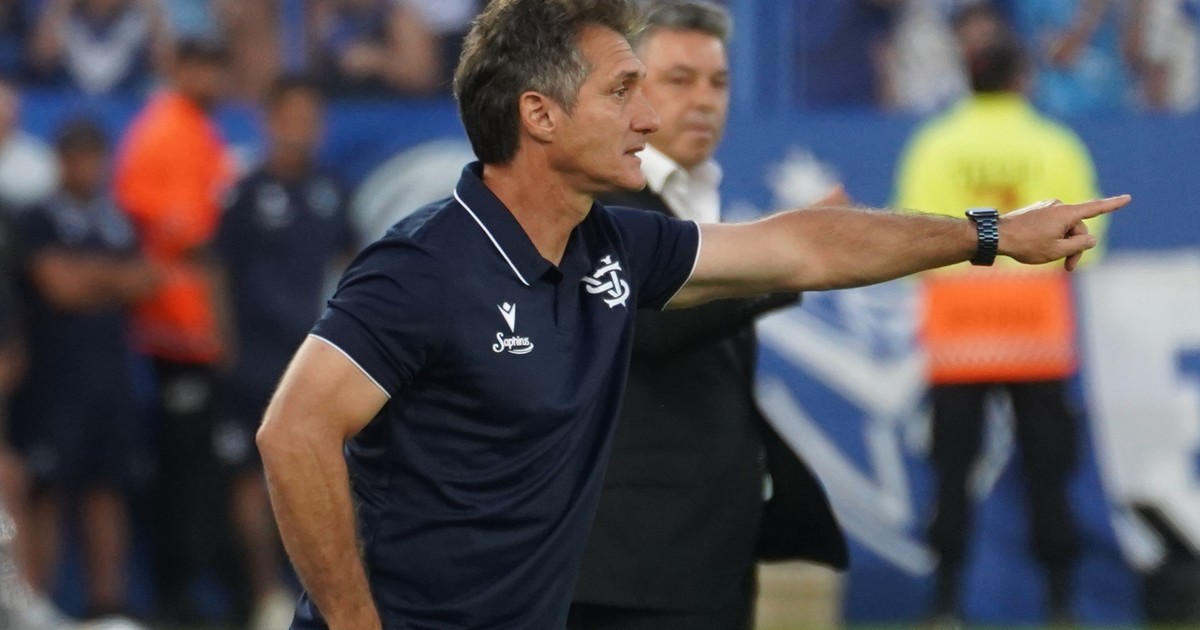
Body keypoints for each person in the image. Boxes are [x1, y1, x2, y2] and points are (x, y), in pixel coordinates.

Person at [254, 1, 1128, 628]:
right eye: (622, 91)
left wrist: (990, 233)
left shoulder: (614, 246)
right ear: (539, 115)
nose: (649, 117)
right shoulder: (423, 265)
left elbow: (802, 247)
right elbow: (293, 432)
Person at [569, 3, 845, 629]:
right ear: (624, 89)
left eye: (718, 82)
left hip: (705, 557)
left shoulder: (694, 201)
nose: (704, 99)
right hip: (628, 569)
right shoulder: (596, 199)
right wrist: (788, 259)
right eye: (679, 79)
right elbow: (645, 323)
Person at [893, 27, 1106, 625]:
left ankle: (944, 604)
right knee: (1049, 474)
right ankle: (1061, 603)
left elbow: (910, 234)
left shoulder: (935, 144)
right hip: (1036, 333)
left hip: (957, 334)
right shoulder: (1054, 144)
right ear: (1021, 79)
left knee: (951, 473)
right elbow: (1087, 236)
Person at [214, 75, 355, 630]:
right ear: (269, 120)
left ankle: (319, 595)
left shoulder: (331, 190)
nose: (303, 126)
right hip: (255, 356)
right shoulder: (245, 193)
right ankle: (266, 595)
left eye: (311, 116)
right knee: (251, 476)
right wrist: (224, 346)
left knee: (324, 476)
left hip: (317, 357)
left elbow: (352, 262)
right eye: (293, 114)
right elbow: (216, 271)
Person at [6, 118, 159, 620]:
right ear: (60, 160)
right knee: (47, 492)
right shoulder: (36, 218)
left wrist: (89, 275)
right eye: (77, 156)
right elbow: (58, 287)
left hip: (111, 376)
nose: (87, 167)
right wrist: (112, 279)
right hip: (53, 377)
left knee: (107, 490)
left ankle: (106, 607)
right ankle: (36, 607)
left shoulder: (118, 219)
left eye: (95, 156)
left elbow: (147, 280)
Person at [112, 35, 234, 621]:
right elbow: (176, 229)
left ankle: (196, 590)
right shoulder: (163, 129)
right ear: (179, 68)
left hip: (197, 328)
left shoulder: (199, 130)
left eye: (216, 68)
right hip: (171, 327)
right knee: (179, 469)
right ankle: (172, 594)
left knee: (201, 469)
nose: (209, 79)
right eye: (200, 67)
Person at [29, 0, 172, 95]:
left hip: (125, 104)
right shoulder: (65, 17)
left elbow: (165, 68)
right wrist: (60, 7)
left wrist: (152, 10)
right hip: (68, 104)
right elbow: (41, 60)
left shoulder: (138, 19)